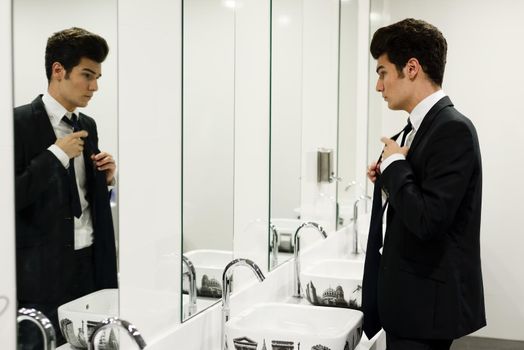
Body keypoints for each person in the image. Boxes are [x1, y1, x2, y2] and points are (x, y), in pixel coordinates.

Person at [362, 18, 486, 350]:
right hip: (411, 304)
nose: (379, 86)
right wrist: (390, 176)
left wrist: (396, 165)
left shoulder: (452, 129)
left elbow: (429, 220)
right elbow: (420, 197)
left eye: (383, 72)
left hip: (423, 312)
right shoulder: (422, 127)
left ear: (412, 68)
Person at [14, 27, 118, 348]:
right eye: (87, 75)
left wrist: (107, 177)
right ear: (58, 70)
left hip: (88, 265)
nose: (95, 86)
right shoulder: (16, 124)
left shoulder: (87, 125)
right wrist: (56, 154)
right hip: (38, 275)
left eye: (98, 76)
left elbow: (81, 196)